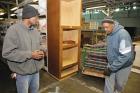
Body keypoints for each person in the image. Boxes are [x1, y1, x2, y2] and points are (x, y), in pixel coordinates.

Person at [2, 5, 45, 93]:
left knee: (35, 91)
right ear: (29, 16)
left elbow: (40, 44)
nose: (37, 20)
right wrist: (30, 55)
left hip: (36, 71)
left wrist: (43, 50)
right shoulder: (14, 30)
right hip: (22, 73)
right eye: (36, 17)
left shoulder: (35, 31)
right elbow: (7, 53)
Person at [102, 17, 135, 93]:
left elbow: (125, 56)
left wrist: (111, 68)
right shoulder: (109, 34)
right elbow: (110, 45)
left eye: (107, 27)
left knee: (119, 86)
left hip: (123, 65)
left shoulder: (123, 35)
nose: (105, 30)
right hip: (111, 63)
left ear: (113, 25)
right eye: (104, 27)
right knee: (108, 85)